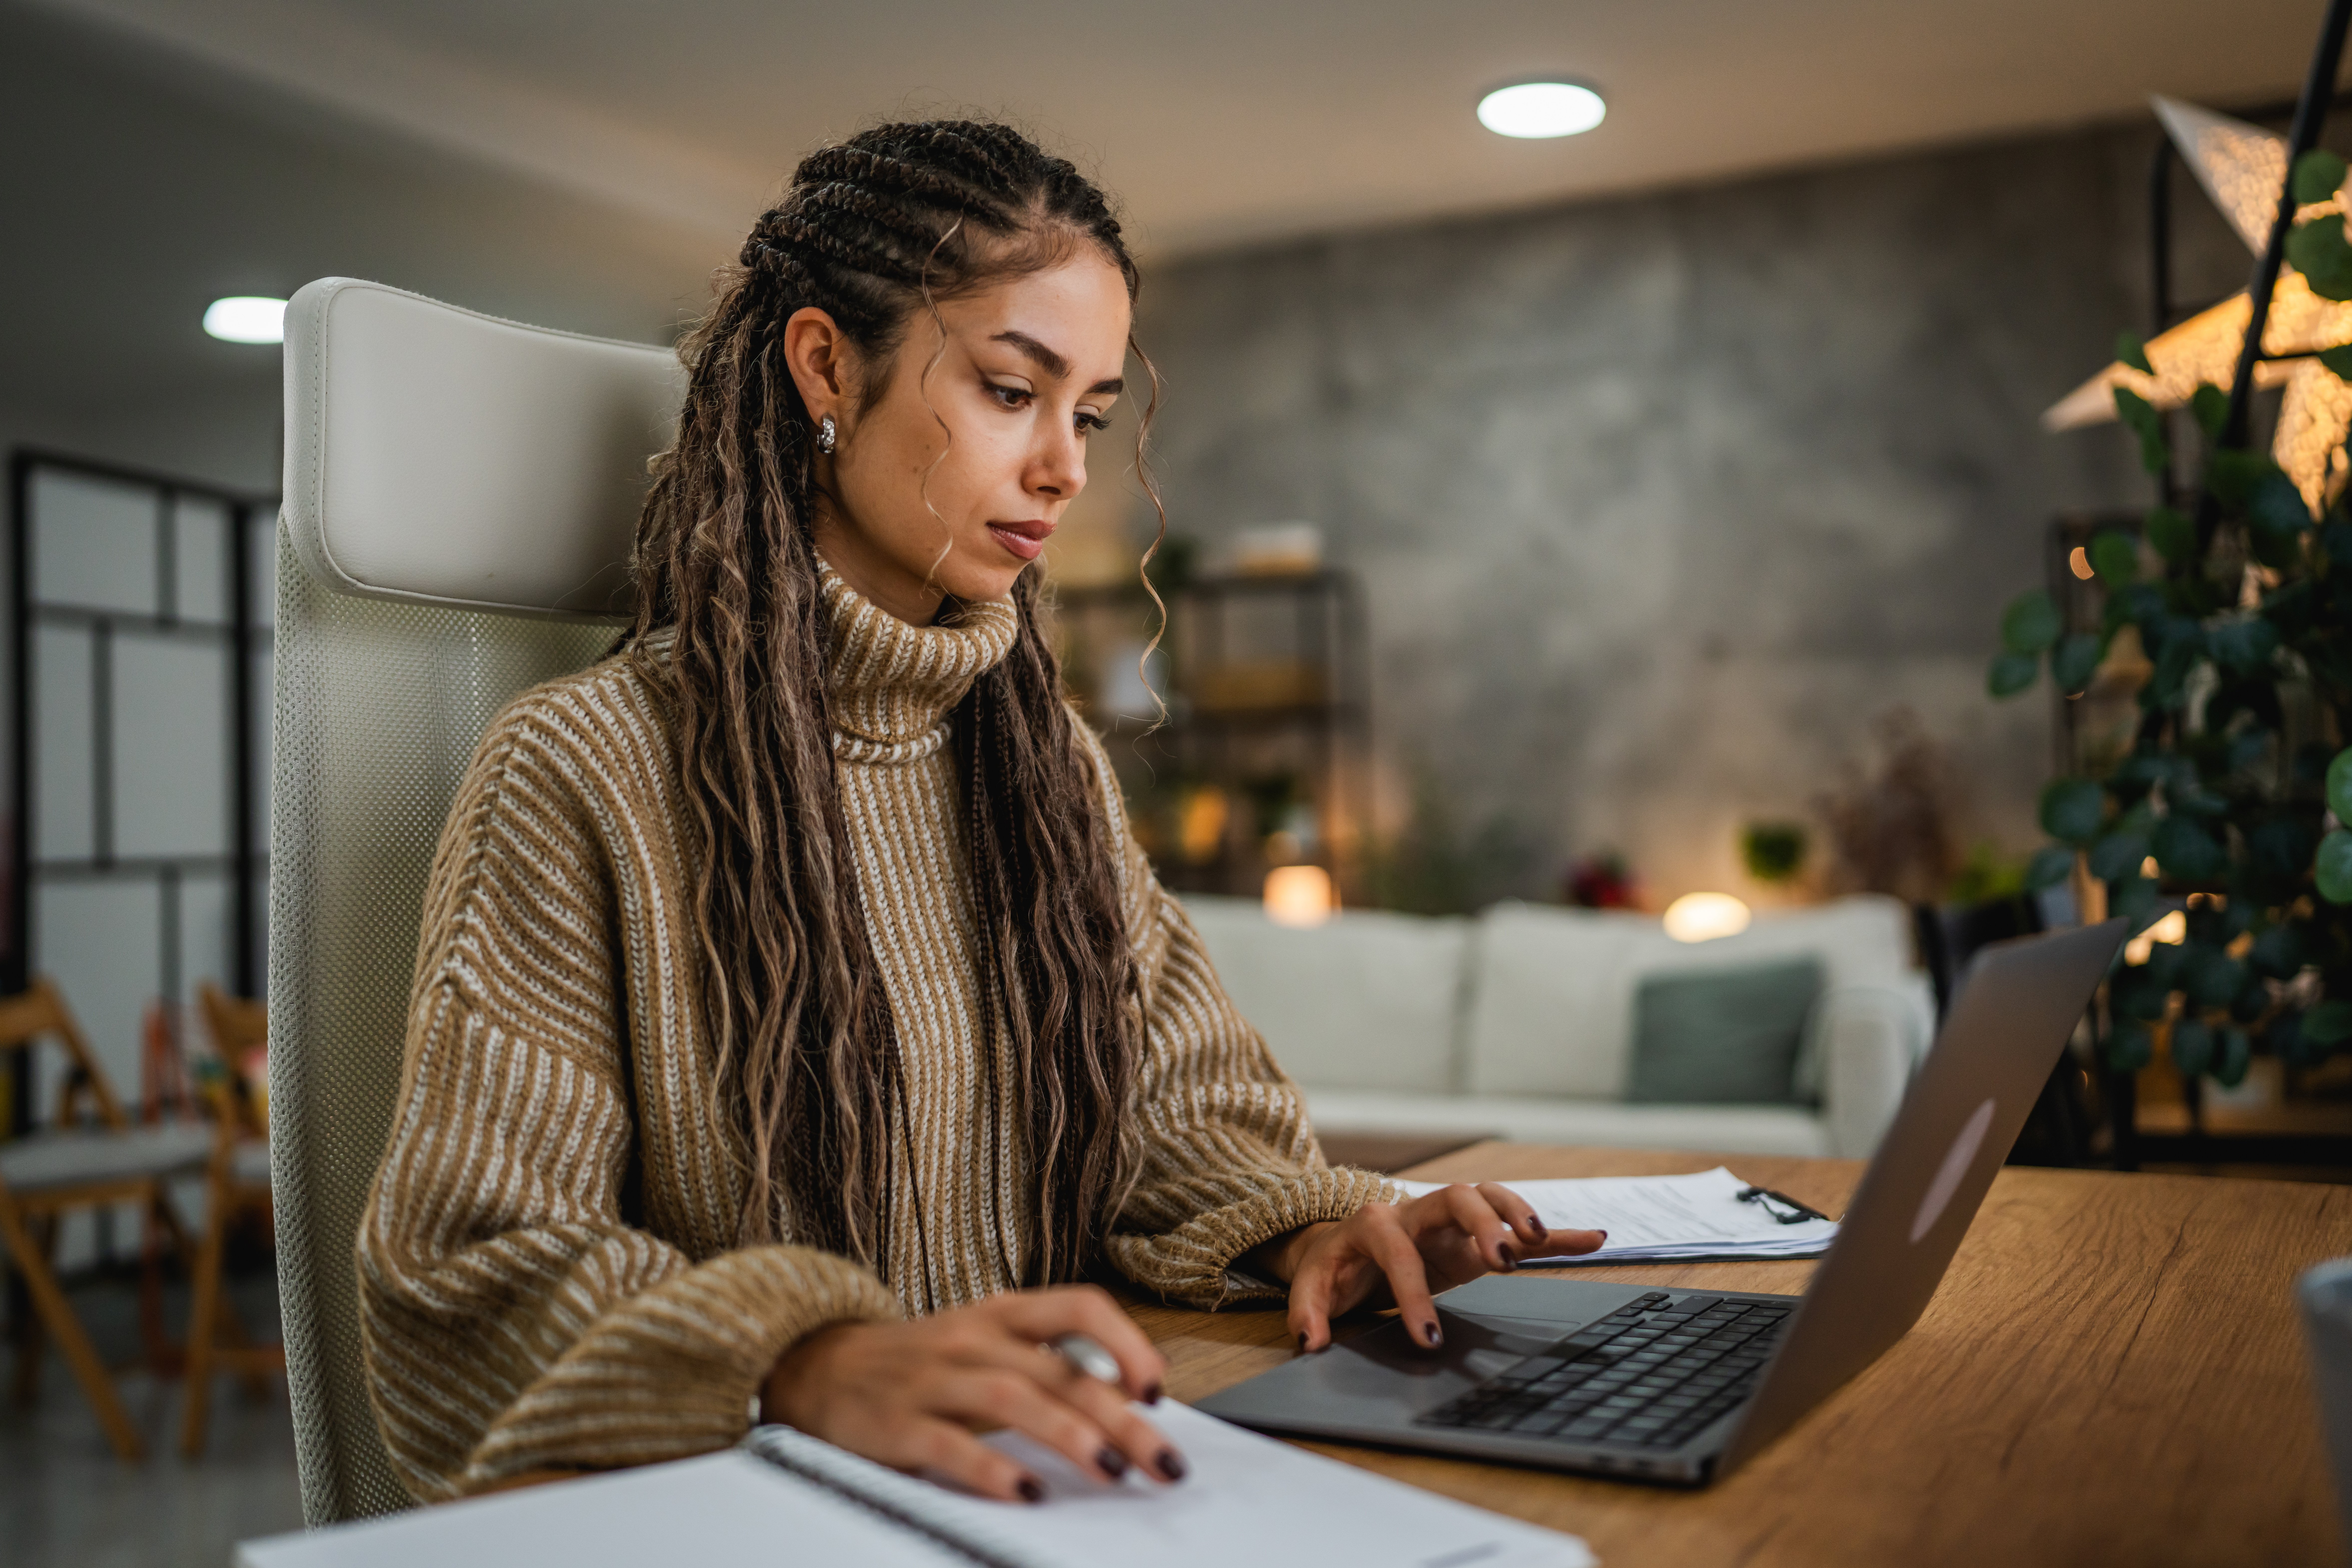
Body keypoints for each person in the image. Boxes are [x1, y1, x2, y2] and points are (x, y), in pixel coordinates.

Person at [355, 118, 1602, 1508]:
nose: (1067, 469)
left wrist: (1325, 1225)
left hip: (1055, 1480)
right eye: (1013, 389)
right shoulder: (583, 767)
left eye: (1088, 413)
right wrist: (803, 1357)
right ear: (826, 364)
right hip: (770, 1508)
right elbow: (466, 1267)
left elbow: (1179, 1112)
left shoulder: (1037, 754)